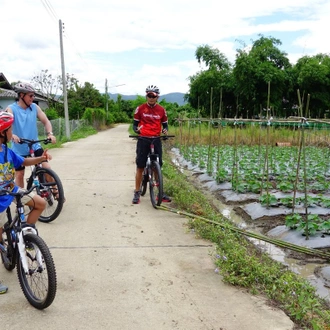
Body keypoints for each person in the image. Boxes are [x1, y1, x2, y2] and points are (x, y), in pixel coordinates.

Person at [0, 111, 50, 294]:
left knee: (40, 204)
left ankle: (27, 235)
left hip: (12, 190)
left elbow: (24, 160)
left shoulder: (6, 151)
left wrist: (41, 159)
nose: (11, 131)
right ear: (2, 132)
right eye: (9, 128)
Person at [5, 82, 57, 190]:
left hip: (35, 145)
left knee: (46, 167)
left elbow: (46, 121)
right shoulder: (11, 109)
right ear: (21, 95)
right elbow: (6, 124)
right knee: (19, 174)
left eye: (33, 95)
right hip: (18, 147)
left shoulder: (34, 107)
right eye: (30, 95)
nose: (33, 98)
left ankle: (55, 191)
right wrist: (13, 135)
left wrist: (50, 134)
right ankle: (22, 200)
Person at [132, 84, 172, 204]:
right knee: (140, 166)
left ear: (157, 97)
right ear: (146, 96)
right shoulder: (140, 109)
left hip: (156, 139)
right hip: (143, 138)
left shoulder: (161, 110)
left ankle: (160, 192)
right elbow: (135, 125)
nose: (151, 98)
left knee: (157, 166)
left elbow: (165, 126)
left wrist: (165, 131)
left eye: (153, 96)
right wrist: (136, 130)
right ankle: (137, 192)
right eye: (149, 95)